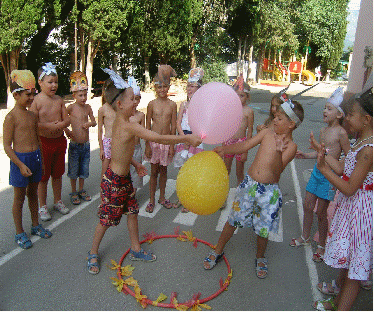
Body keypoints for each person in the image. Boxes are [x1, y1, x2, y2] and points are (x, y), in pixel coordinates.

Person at [87, 69, 201, 274]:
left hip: (124, 180)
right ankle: (93, 252)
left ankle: (136, 249)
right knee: (106, 220)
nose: (136, 102)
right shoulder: (128, 125)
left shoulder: (124, 124)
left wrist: (135, 164)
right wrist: (186, 139)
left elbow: (119, 151)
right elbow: (158, 138)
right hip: (114, 182)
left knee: (132, 212)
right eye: (132, 99)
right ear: (120, 105)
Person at [203, 99, 304, 279]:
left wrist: (280, 151)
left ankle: (260, 257)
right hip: (250, 185)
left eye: (280, 118)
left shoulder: (292, 147)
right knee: (233, 220)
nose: (274, 120)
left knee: (262, 229)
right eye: (275, 116)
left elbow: (277, 170)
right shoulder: (266, 134)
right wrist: (225, 149)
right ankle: (218, 250)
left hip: (269, 193)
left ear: (291, 124)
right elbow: (245, 145)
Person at [312, 88, 372, 311]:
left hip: (361, 214)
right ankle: (336, 303)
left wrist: (322, 169)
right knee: (348, 266)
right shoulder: (359, 144)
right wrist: (323, 154)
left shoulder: (368, 150)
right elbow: (343, 169)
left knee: (355, 272)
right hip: (352, 210)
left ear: (366, 120)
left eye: (350, 115)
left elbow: (348, 187)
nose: (346, 118)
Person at [290, 87, 351, 263]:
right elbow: (320, 152)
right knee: (308, 204)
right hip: (317, 172)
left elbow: (348, 155)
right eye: (325, 107)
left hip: (329, 176)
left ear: (339, 114)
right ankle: (305, 236)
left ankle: (322, 245)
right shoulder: (323, 131)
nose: (324, 111)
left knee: (321, 213)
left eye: (329, 108)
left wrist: (340, 169)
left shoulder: (342, 133)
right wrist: (305, 155)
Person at [3, 70, 52, 249]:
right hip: (20, 161)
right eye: (27, 94)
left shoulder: (32, 115)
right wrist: (20, 164)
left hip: (35, 158)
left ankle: (35, 224)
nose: (31, 98)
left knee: (33, 195)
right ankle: (19, 232)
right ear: (16, 95)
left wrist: (42, 162)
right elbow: (7, 145)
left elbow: (37, 139)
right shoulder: (10, 118)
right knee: (19, 199)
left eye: (33, 94)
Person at [30, 62, 70, 221]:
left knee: (58, 174)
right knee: (43, 177)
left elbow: (66, 119)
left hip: (59, 141)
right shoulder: (37, 101)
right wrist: (47, 126)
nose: (54, 85)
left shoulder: (59, 100)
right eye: (50, 82)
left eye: (56, 82)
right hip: (44, 143)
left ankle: (57, 201)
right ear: (40, 83)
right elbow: (32, 123)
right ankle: (42, 206)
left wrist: (61, 125)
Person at [144, 65, 178, 212]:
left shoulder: (172, 105)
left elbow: (173, 127)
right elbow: (147, 127)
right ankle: (151, 200)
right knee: (153, 172)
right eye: (159, 87)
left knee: (163, 172)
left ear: (169, 86)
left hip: (166, 143)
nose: (162, 90)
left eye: (165, 86)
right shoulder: (151, 104)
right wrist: (147, 145)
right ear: (154, 87)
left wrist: (171, 146)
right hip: (154, 143)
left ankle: (162, 197)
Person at [174, 68, 205, 212]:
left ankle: (190, 199)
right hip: (184, 138)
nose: (189, 88)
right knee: (182, 171)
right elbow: (178, 122)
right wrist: (183, 137)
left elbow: (204, 125)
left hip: (196, 140)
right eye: (188, 86)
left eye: (192, 86)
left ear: (199, 88)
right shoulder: (183, 105)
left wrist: (195, 139)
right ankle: (182, 197)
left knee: (192, 171)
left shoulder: (202, 106)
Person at [64, 71, 97, 205]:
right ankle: (74, 191)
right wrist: (67, 130)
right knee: (73, 169)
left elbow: (94, 121)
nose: (83, 98)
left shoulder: (88, 107)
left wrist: (89, 123)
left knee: (83, 169)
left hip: (86, 145)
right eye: (80, 95)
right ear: (74, 95)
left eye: (85, 95)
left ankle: (81, 189)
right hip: (74, 145)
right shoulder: (70, 108)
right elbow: (63, 121)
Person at [223, 75, 254, 186]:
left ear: (247, 97)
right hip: (229, 142)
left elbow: (250, 131)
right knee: (226, 170)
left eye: (242, 96)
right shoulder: (229, 109)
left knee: (239, 172)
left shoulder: (248, 112)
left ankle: (239, 194)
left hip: (241, 143)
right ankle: (223, 194)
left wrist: (246, 150)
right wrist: (223, 145)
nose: (239, 98)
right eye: (236, 95)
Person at [128, 76, 145, 193]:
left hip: (137, 148)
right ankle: (125, 195)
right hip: (126, 148)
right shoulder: (124, 115)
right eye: (132, 99)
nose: (135, 102)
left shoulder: (141, 115)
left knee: (136, 173)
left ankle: (132, 196)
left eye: (137, 99)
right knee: (125, 172)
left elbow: (144, 133)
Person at [98, 79, 116, 180]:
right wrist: (101, 149)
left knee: (117, 171)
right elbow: (100, 130)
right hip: (107, 142)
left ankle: (114, 193)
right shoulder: (103, 109)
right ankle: (103, 194)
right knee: (105, 173)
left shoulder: (118, 107)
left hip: (118, 142)